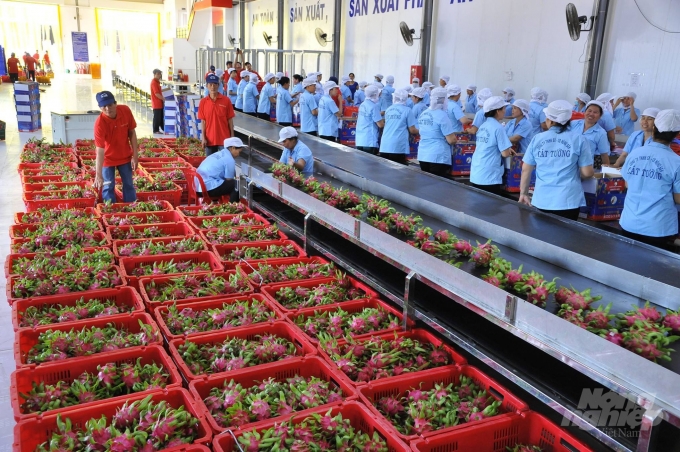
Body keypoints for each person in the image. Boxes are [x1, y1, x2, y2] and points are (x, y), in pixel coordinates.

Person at [519, 100, 594, 221]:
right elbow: (587, 172)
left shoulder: (537, 139)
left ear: (551, 120)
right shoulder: (579, 139)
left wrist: (523, 193)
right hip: (568, 200)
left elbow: (526, 169)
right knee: (566, 237)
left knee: (541, 236)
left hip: (542, 199)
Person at [619, 109, 680, 248]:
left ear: (654, 128)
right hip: (657, 227)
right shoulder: (676, 162)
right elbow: (678, 198)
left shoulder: (635, 153)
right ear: (676, 134)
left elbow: (627, 184)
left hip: (629, 221)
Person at [93, 91, 139, 203]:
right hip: (108, 160)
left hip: (125, 157)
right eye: (104, 106)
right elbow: (100, 150)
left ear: (115, 103)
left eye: (110, 105)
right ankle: (111, 212)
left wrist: (135, 155)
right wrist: (98, 174)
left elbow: (132, 133)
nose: (108, 108)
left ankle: (131, 207)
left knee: (128, 184)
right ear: (100, 107)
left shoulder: (125, 111)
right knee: (108, 186)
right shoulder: (99, 124)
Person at [470, 96, 516, 194]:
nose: (505, 111)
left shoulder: (483, 126)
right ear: (497, 111)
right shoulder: (498, 128)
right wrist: (507, 150)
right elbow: (505, 154)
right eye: (503, 108)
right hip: (489, 176)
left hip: (477, 172)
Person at [417, 87, 457, 177]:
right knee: (437, 186)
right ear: (443, 100)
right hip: (438, 156)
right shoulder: (442, 115)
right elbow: (451, 140)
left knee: (425, 184)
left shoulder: (424, 113)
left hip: (423, 154)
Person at [195, 137, 244, 203]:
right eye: (239, 152)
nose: (239, 154)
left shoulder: (218, 154)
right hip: (206, 188)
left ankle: (216, 202)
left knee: (227, 183)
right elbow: (229, 179)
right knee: (236, 185)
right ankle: (233, 207)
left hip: (197, 186)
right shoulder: (229, 160)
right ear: (233, 148)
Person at [198, 73, 235, 157]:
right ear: (207, 86)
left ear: (218, 85)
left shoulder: (226, 100)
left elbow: (230, 120)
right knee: (211, 166)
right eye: (210, 84)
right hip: (210, 139)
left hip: (224, 139)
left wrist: (232, 137)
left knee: (227, 163)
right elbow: (203, 122)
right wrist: (203, 138)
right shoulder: (203, 102)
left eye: (215, 84)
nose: (212, 86)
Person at [378, 90, 418, 164]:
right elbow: (412, 130)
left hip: (385, 144)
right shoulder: (407, 110)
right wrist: (423, 130)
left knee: (384, 171)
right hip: (397, 146)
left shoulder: (389, 109)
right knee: (398, 171)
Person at [571, 100, 611, 168]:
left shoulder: (601, 133)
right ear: (585, 112)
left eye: (595, 112)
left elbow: (604, 155)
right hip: (568, 164)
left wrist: (606, 171)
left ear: (600, 115)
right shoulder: (573, 124)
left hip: (585, 168)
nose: (591, 114)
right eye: (589, 111)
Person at [355, 85, 384, 155]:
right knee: (370, 165)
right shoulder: (373, 106)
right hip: (369, 141)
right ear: (375, 94)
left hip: (360, 140)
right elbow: (380, 124)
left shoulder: (362, 104)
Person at [150, 69, 165, 134]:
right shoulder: (154, 83)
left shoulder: (157, 82)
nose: (159, 75)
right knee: (157, 117)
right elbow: (156, 94)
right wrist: (163, 99)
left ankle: (162, 128)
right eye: (158, 74)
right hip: (156, 103)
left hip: (159, 103)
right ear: (154, 74)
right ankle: (155, 130)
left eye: (160, 74)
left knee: (160, 117)